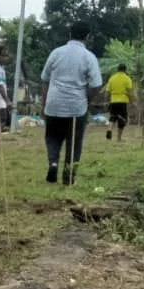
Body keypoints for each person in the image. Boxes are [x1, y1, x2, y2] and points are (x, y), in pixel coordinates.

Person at [40, 21, 103, 185]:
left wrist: (44, 104)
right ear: (87, 37)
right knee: (74, 143)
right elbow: (96, 84)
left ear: (70, 34)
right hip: (76, 107)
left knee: (52, 138)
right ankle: (68, 178)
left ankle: (53, 163)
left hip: (53, 104)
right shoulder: (89, 57)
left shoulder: (56, 53)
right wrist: (87, 99)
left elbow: (45, 80)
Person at [103, 63, 133, 141]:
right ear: (125, 70)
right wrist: (131, 100)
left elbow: (107, 91)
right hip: (123, 101)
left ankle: (109, 129)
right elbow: (129, 91)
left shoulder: (112, 78)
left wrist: (106, 101)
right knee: (122, 119)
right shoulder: (127, 78)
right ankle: (119, 138)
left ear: (117, 69)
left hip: (113, 101)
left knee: (112, 117)